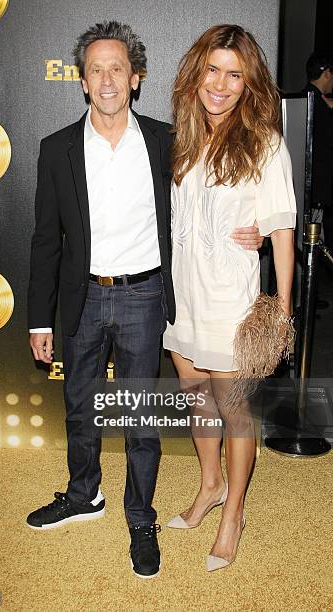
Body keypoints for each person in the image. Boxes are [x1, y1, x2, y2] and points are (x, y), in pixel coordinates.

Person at [26, 21, 262, 579]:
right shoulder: (55, 149)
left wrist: (253, 226)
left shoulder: (166, 141)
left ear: (135, 78)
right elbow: (44, 241)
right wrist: (39, 319)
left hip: (145, 296)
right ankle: (84, 494)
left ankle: (140, 517)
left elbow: (217, 189)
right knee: (79, 408)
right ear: (82, 82)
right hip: (83, 299)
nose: (106, 80)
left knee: (139, 418)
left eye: (117, 69)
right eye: (95, 70)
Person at [163, 24, 296, 571]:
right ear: (197, 73)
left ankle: (233, 512)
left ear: (249, 84)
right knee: (197, 399)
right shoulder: (184, 139)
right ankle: (210, 484)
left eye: (234, 74)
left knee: (234, 411)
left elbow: (282, 226)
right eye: (212, 70)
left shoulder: (264, 142)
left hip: (231, 302)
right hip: (184, 297)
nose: (220, 83)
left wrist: (283, 309)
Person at [302, 52, 333, 253]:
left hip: (306, 189)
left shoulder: (303, 97)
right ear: (327, 73)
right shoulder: (320, 106)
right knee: (316, 247)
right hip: (320, 192)